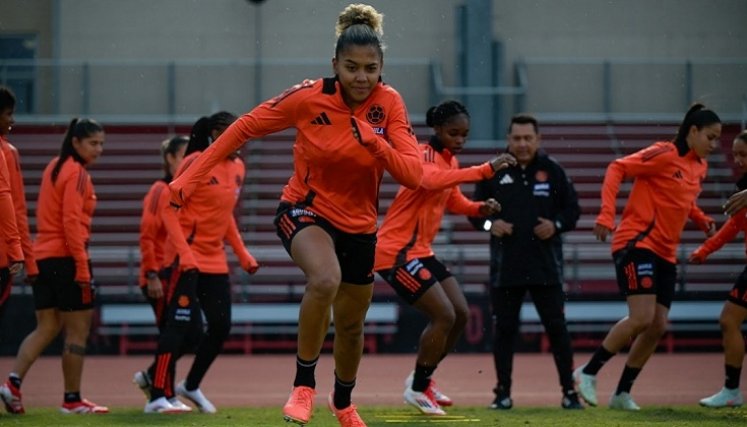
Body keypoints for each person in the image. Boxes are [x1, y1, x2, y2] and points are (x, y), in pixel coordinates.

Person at [169, 4, 423, 425]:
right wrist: (189, 178)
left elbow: (413, 174)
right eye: (351, 67)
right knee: (325, 279)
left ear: (382, 68)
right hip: (304, 209)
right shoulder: (307, 97)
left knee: (352, 324)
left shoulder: (389, 104)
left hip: (360, 226)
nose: (361, 77)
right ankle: (303, 387)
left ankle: (342, 402)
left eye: (370, 69)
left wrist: (375, 145)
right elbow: (244, 127)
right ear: (334, 65)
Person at [574, 103, 720, 410]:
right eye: (710, 136)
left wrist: (701, 218)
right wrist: (605, 214)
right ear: (692, 131)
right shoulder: (663, 153)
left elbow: (683, 198)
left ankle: (622, 393)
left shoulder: (699, 167)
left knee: (657, 326)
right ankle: (587, 372)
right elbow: (617, 167)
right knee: (641, 317)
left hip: (666, 253)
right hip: (636, 243)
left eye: (717, 138)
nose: (714, 144)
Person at [375, 100, 514, 415]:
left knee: (461, 314)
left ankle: (423, 379)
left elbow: (454, 200)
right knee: (444, 316)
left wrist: (480, 209)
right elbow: (428, 180)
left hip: (422, 251)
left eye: (464, 135)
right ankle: (416, 388)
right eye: (454, 133)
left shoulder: (449, 162)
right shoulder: (422, 154)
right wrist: (484, 170)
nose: (460, 140)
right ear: (436, 129)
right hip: (395, 252)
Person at [142, 112, 259, 414]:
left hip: (215, 261)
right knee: (179, 327)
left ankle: (189, 385)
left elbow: (225, 216)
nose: (241, 139)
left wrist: (242, 254)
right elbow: (170, 210)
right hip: (185, 259)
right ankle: (157, 395)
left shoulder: (238, 168)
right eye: (235, 133)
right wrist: (186, 254)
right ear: (217, 134)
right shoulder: (196, 161)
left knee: (220, 326)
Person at [469, 114, 582, 410]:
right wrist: (489, 226)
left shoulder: (552, 170)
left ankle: (569, 393)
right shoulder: (493, 172)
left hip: (547, 270)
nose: (522, 144)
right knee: (504, 332)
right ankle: (502, 393)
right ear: (508, 139)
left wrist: (556, 225)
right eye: (516, 138)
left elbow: (573, 211)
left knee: (557, 330)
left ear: (538, 139)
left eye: (527, 138)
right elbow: (473, 214)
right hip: (506, 270)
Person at [0, 118, 108, 414]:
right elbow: (71, 223)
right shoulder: (77, 173)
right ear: (76, 142)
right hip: (68, 260)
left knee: (46, 326)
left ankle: (12, 384)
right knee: (77, 331)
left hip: (43, 256)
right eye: (93, 143)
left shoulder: (53, 167)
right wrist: (83, 270)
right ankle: (72, 399)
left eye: (101, 143)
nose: (99, 149)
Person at [131, 135, 192, 413]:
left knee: (180, 333)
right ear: (170, 158)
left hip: (170, 272)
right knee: (173, 332)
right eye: (183, 155)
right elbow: (147, 235)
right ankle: (158, 394)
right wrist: (152, 274)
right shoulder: (160, 190)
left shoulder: (180, 191)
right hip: (159, 275)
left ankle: (163, 391)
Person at [689, 129, 747, 408]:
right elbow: (734, 225)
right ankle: (732, 390)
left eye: (743, 154)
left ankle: (732, 390)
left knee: (729, 320)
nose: (737, 160)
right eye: (735, 154)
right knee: (728, 320)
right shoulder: (742, 188)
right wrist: (705, 250)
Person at [0, 85, 35, 321]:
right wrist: (22, 254)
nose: (12, 120)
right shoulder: (6, 152)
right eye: (9, 113)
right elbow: (10, 201)